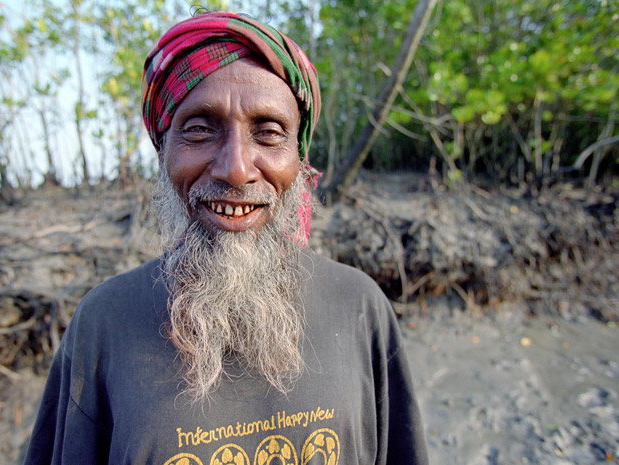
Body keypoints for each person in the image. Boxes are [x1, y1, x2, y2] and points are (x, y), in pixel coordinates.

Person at [23, 11, 428, 465]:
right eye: (199, 129)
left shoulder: (359, 305)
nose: (236, 167)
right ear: (163, 152)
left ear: (298, 158)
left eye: (269, 133)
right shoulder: (103, 324)